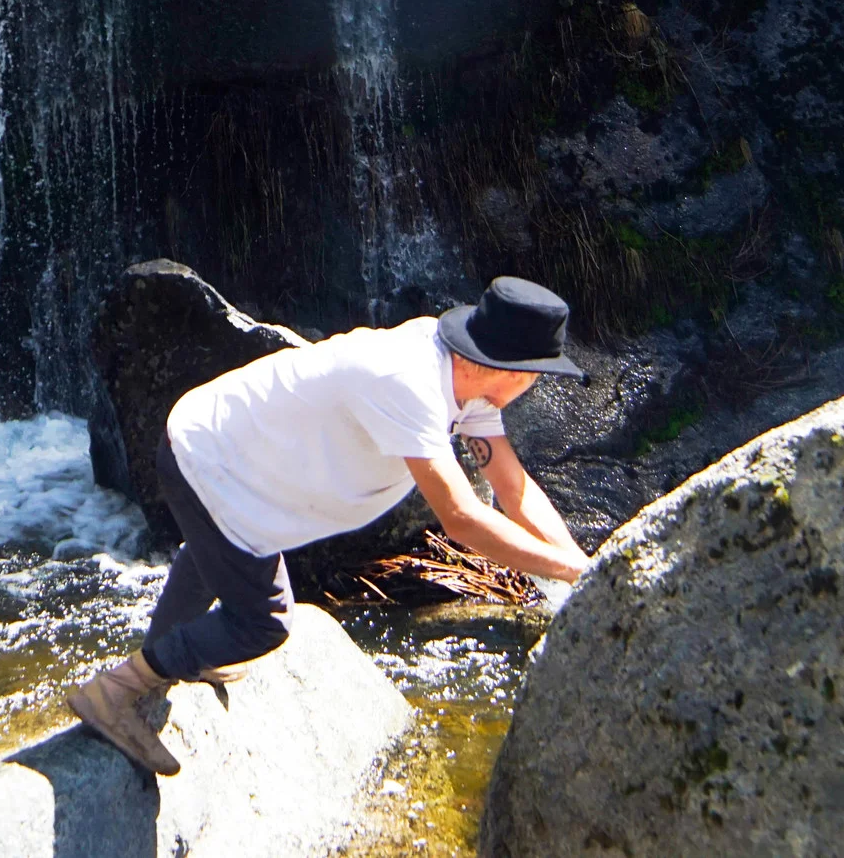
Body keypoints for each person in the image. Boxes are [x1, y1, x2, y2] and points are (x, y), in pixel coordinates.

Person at [68, 276, 593, 776]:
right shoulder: (408, 381)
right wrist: (571, 571)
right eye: (537, 374)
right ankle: (116, 691)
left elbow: (512, 489)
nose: (535, 385)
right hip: (208, 459)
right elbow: (461, 518)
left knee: (214, 559)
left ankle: (165, 658)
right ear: (515, 371)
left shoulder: (468, 383)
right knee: (263, 621)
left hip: (238, 470)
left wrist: (585, 566)